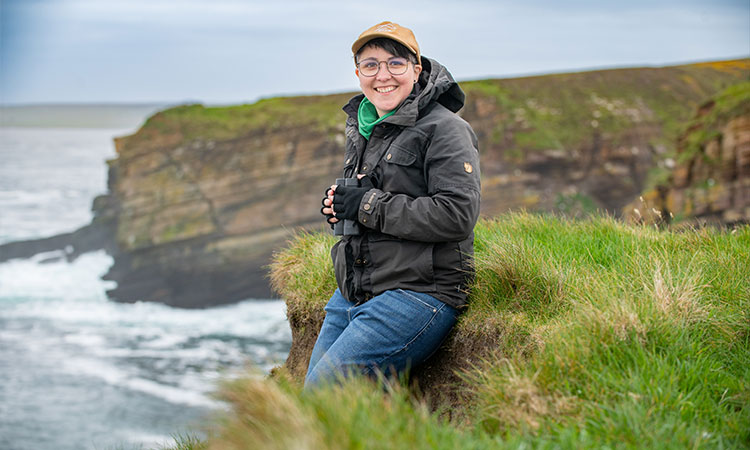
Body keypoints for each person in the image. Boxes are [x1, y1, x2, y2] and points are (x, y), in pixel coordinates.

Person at [307, 21, 480, 387]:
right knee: (309, 399)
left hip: (420, 291)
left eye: (395, 63)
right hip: (357, 287)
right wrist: (342, 206)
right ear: (358, 74)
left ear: (416, 70)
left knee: (322, 392)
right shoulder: (367, 125)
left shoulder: (445, 128)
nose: (382, 75)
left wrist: (365, 204)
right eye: (370, 65)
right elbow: (376, 202)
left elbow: (456, 215)